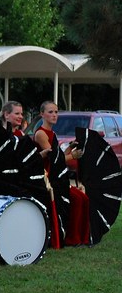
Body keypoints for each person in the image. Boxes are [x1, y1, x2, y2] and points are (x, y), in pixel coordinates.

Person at [32, 101, 90, 247]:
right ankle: (72, 238)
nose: (54, 115)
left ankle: (81, 237)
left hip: (57, 177)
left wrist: (69, 149)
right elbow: (54, 159)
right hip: (47, 179)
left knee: (83, 198)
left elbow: (59, 157)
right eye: (50, 112)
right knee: (77, 199)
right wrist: (73, 156)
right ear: (42, 114)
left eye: (56, 112)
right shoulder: (41, 134)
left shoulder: (53, 133)